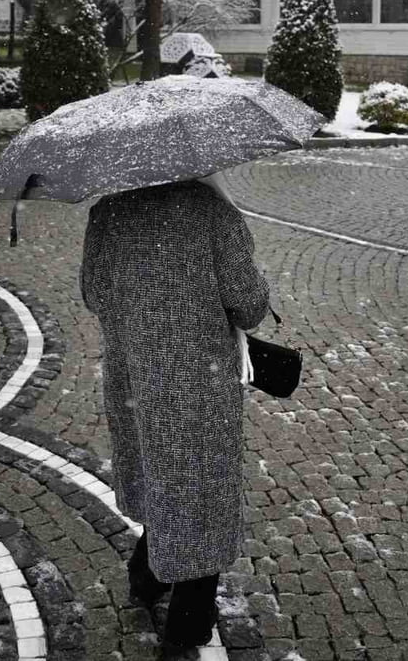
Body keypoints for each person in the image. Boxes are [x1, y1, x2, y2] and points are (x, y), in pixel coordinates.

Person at [80, 176, 269, 651]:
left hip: (136, 374)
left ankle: (146, 576)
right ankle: (189, 620)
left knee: (157, 472)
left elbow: (94, 295)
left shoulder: (109, 210)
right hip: (198, 382)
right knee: (199, 487)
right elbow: (249, 305)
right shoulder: (212, 211)